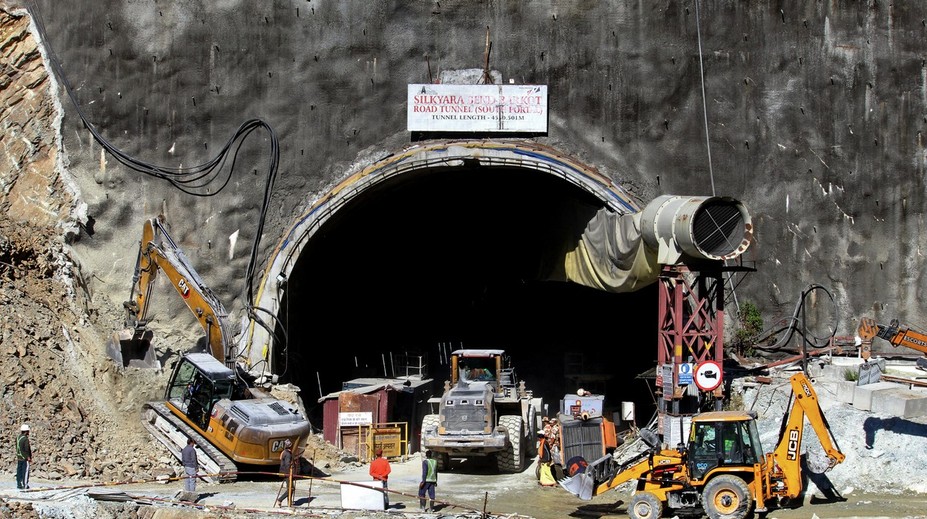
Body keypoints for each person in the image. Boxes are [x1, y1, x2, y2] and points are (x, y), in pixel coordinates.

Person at [276, 439, 295, 506]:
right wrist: (290, 472)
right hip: (287, 473)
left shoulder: (284, 452)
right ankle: (280, 499)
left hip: (285, 472)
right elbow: (287, 464)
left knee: (290, 488)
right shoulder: (288, 454)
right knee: (291, 488)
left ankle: (289, 502)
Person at [15, 424, 31, 490]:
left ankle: (19, 484)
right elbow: (27, 449)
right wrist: (28, 457)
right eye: (28, 431)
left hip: (19, 457)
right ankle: (25, 485)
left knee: (19, 471)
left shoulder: (18, 438)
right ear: (26, 431)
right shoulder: (25, 439)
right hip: (24, 458)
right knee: (25, 471)